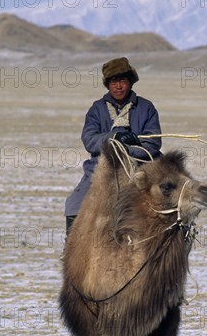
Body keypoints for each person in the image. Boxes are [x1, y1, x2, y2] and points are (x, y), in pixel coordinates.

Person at [64, 57, 162, 235]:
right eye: (114, 82)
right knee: (74, 204)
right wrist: (113, 137)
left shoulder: (146, 108)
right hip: (102, 167)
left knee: (170, 204)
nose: (118, 86)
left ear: (130, 83)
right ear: (107, 84)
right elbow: (89, 140)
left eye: (122, 81)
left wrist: (128, 149)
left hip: (140, 168)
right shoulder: (97, 109)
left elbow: (153, 144)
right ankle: (72, 253)